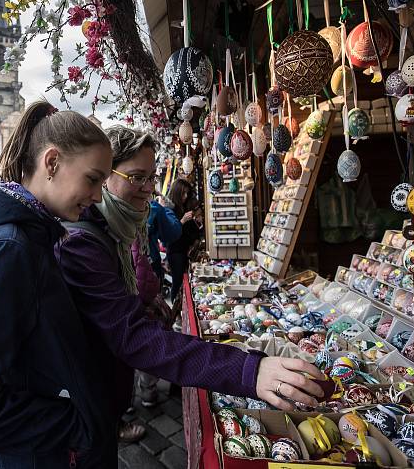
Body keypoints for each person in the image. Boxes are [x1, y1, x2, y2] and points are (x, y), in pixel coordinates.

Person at [56, 126, 325, 450]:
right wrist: (247, 370)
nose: (148, 189)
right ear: (104, 175)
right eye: (136, 177)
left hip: (100, 401)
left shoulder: (117, 231)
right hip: (83, 413)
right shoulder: (82, 242)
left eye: (151, 177)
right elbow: (133, 338)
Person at [0, 101, 114, 468]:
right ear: (52, 162)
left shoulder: (30, 232)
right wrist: (76, 426)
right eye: (93, 179)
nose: (97, 197)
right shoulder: (9, 249)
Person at [166, 178, 202, 305]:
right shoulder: (169, 210)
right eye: (183, 193)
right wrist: (182, 221)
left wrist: (197, 223)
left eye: (187, 193)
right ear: (177, 193)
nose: (185, 196)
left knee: (184, 281)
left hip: (185, 251)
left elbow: (191, 231)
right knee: (177, 281)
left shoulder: (185, 207)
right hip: (176, 252)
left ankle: (181, 309)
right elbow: (169, 234)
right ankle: (175, 313)